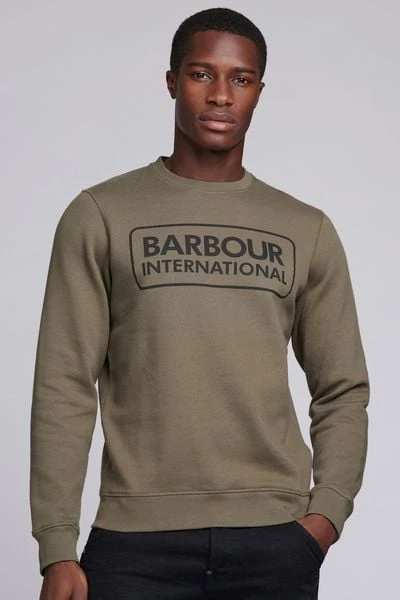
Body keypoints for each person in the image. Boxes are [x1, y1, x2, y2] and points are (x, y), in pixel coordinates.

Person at [30, 7, 369, 600]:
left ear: (258, 92)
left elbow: (342, 387)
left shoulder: (304, 228)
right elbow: (64, 384)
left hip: (274, 542)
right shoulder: (101, 214)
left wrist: (326, 516)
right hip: (135, 545)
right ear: (172, 82)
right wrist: (57, 545)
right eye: (201, 74)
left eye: (241, 79)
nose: (220, 95)